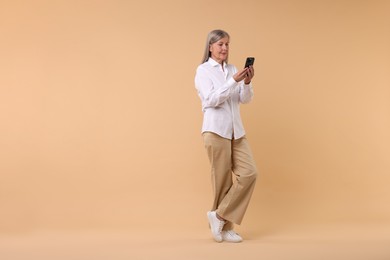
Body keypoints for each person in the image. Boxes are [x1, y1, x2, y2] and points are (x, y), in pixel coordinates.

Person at [194, 29, 258, 243]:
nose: (224, 48)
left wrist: (246, 82)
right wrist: (232, 81)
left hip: (236, 131)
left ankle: (219, 216)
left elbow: (244, 100)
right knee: (222, 182)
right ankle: (225, 229)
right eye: (220, 44)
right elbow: (210, 100)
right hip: (215, 131)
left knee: (249, 173)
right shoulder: (203, 71)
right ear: (210, 47)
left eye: (227, 44)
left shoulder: (232, 69)